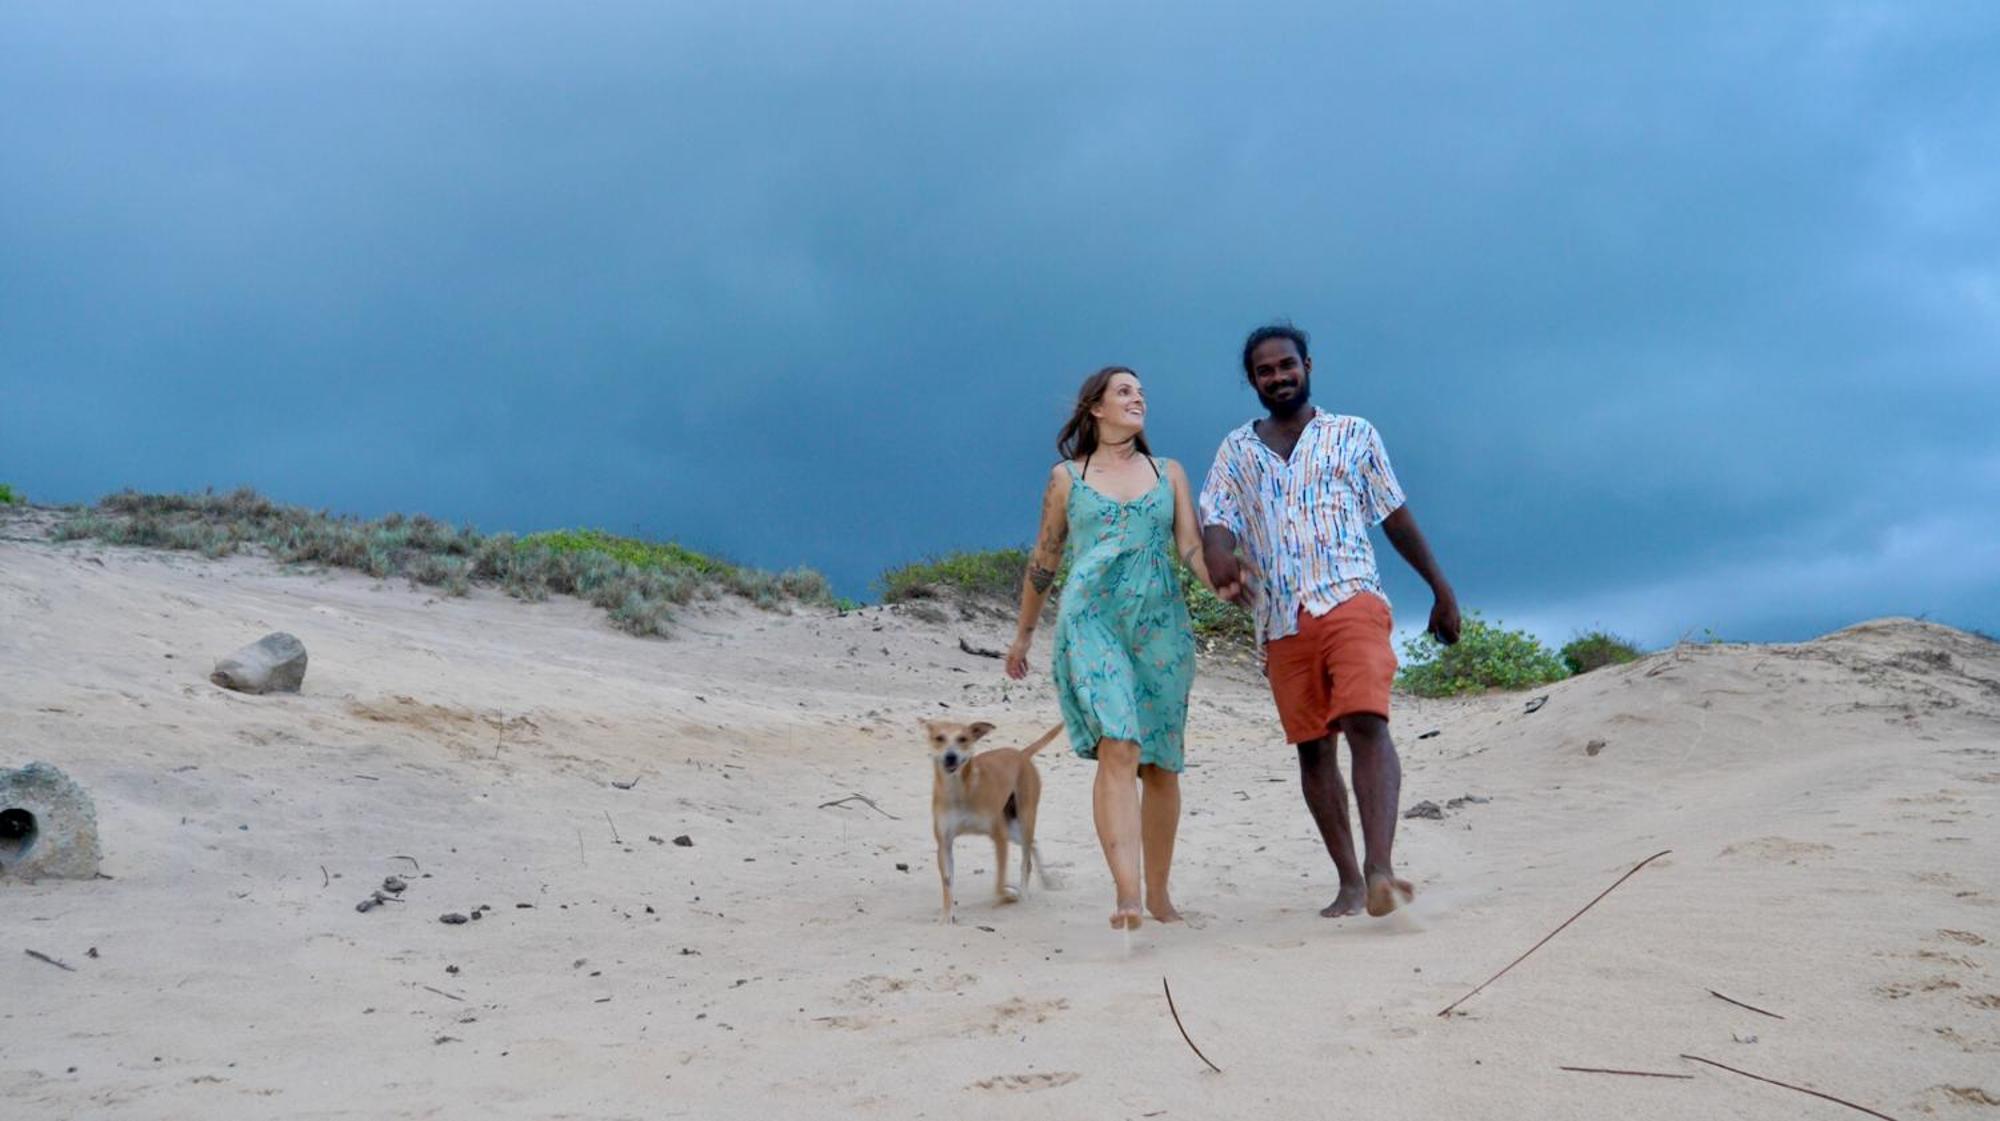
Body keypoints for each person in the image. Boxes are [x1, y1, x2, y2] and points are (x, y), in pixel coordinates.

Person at [1199, 323, 1461, 918]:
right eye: (1265, 371)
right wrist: (1219, 554)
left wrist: (1440, 589)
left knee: (1366, 720)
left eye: (1286, 365)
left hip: (1350, 597)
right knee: (1313, 749)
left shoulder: (1354, 435)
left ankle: (1381, 868)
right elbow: (1217, 516)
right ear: (1253, 382)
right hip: (1280, 618)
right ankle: (1348, 880)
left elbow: (1393, 515)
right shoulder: (1236, 450)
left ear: (1308, 365)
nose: (1278, 377)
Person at [1006, 366, 1213, 930]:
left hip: (1160, 625)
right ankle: (1127, 894)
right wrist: (1024, 633)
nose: (1138, 398)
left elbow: (1191, 549)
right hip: (1092, 618)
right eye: (1125, 391)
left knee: (1162, 765)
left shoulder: (1168, 472)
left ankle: (1160, 896)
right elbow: (1044, 559)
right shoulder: (1067, 478)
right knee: (1118, 744)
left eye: (1142, 391)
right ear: (1095, 407)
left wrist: (1228, 585)